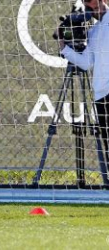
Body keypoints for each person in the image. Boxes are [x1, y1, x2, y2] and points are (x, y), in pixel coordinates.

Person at [58, 0, 109, 165]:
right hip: (101, 95)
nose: (94, 7)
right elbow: (86, 63)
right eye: (89, 4)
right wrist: (64, 47)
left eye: (95, 2)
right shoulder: (94, 31)